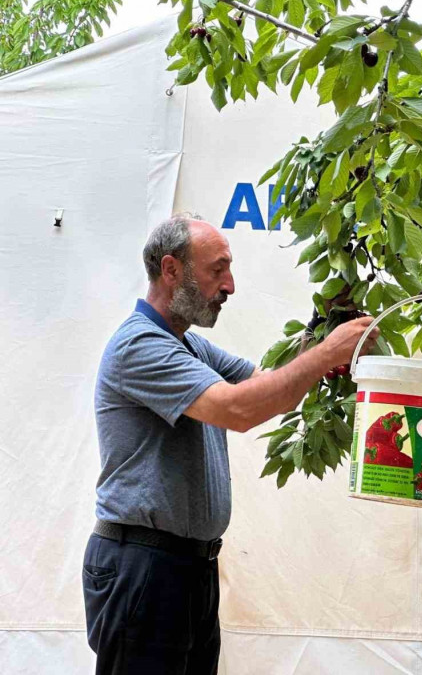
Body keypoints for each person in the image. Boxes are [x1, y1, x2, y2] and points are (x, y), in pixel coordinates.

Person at [82, 214, 378, 675]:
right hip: (143, 568)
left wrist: (322, 338)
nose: (231, 285)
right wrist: (326, 353)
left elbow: (268, 386)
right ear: (171, 270)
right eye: (217, 270)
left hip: (188, 569)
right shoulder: (139, 346)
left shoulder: (189, 347)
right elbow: (239, 409)